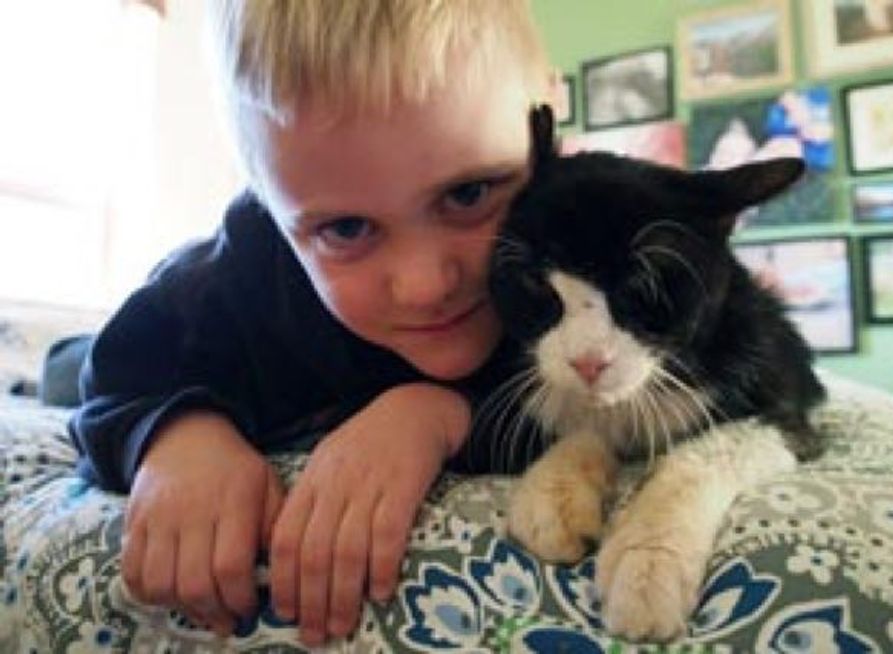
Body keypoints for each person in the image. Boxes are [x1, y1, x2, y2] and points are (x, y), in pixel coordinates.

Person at [69, 0, 554, 646]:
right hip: (198, 324)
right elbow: (119, 373)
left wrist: (441, 413)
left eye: (468, 194)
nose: (424, 286)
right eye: (346, 229)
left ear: (546, 122)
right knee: (64, 367)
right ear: (270, 203)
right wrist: (182, 436)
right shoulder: (240, 273)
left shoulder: (591, 244)